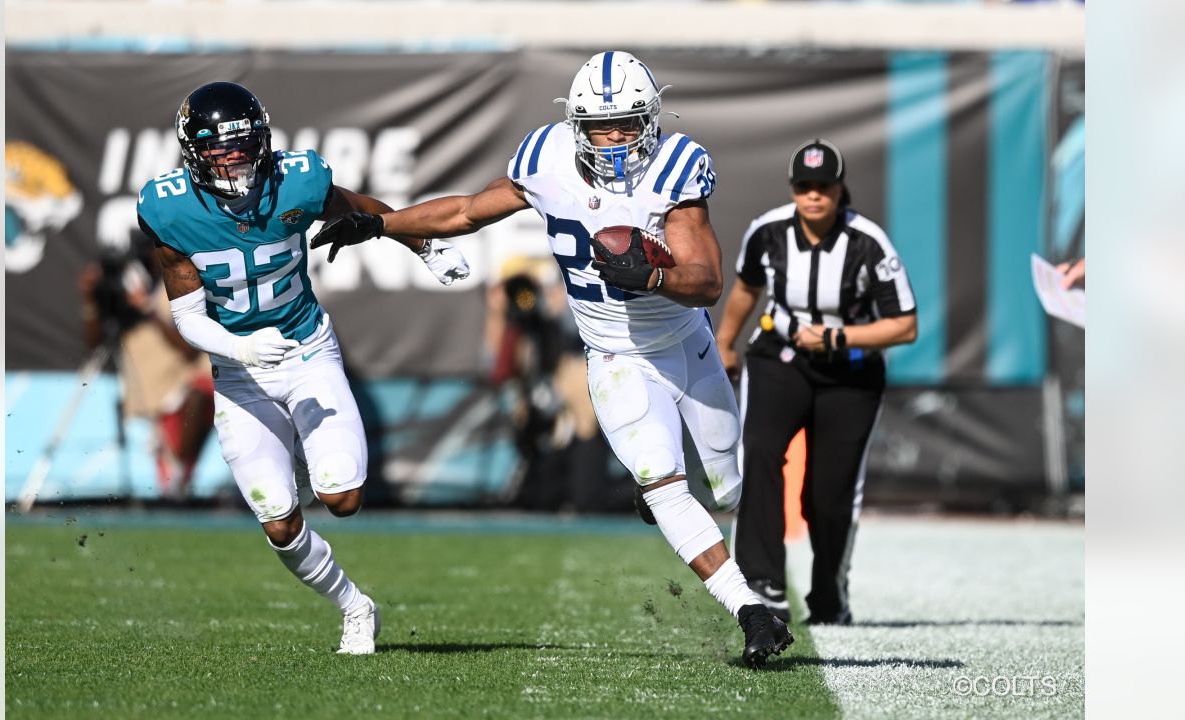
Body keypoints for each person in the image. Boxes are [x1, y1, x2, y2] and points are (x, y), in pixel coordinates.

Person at [312, 51, 794, 668]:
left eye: (628, 123)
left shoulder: (675, 167)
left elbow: (705, 281)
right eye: (602, 125)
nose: (616, 138)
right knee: (660, 478)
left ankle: (690, 516)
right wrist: (381, 226)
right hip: (615, 355)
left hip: (687, 345)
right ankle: (750, 611)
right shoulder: (545, 160)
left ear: (651, 119)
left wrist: (648, 276)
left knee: (729, 487)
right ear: (576, 125)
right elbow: (465, 210)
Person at [137, 81, 471, 655]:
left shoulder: (298, 180)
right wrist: (238, 350)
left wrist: (427, 248)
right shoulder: (168, 210)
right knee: (279, 524)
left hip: (307, 349)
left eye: (244, 144)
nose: (235, 158)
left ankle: (316, 458)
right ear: (194, 151)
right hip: (239, 372)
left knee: (343, 496)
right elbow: (187, 316)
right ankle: (355, 607)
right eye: (220, 148)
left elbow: (365, 211)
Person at [714, 139, 918, 625]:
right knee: (760, 451)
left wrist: (837, 337)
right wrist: (725, 341)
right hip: (779, 357)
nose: (813, 195)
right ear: (793, 189)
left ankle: (830, 593)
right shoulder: (767, 231)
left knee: (828, 492)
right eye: (804, 186)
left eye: (823, 186)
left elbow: (905, 324)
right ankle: (762, 581)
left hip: (850, 372)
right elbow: (746, 287)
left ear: (839, 187)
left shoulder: (869, 242)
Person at [78, 243, 215, 502]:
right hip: (151, 387)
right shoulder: (131, 289)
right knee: (172, 466)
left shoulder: (174, 288)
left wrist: (147, 308)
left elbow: (188, 350)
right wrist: (89, 298)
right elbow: (94, 343)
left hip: (182, 381)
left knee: (200, 399)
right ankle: (175, 483)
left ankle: (178, 479)